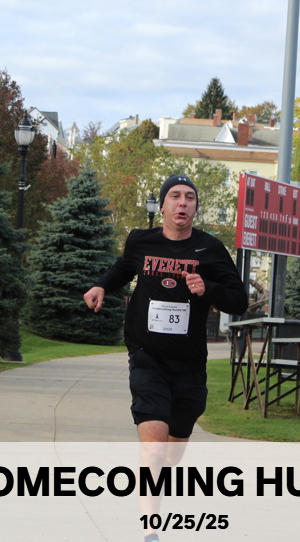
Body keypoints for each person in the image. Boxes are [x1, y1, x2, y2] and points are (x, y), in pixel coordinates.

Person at [84, 174, 247, 541]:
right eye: (175, 196)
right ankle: (151, 530)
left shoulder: (210, 249)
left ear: (195, 208)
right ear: (163, 206)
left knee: (172, 454)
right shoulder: (141, 241)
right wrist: (101, 285)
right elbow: (124, 268)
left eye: (189, 197)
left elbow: (238, 300)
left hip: (189, 364)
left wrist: (208, 288)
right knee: (154, 449)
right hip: (147, 357)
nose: (182, 202)